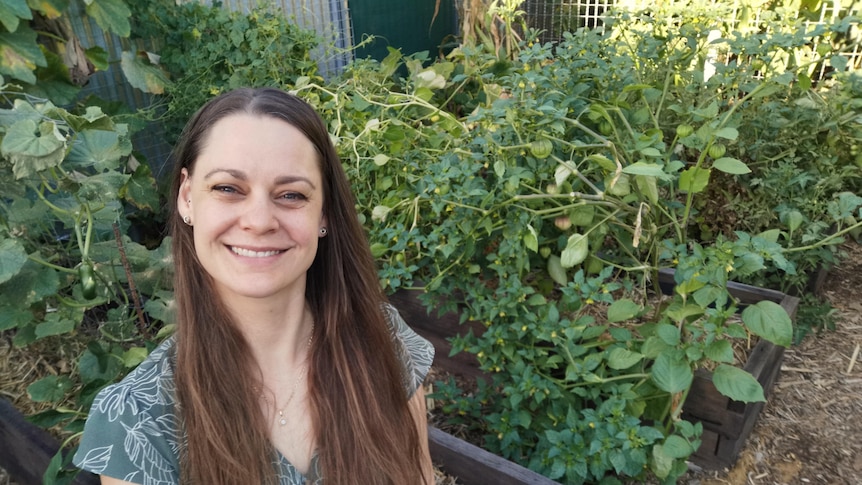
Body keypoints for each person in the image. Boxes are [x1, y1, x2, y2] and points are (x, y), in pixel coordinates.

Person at [72, 87, 435, 484]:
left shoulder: (381, 339)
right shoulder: (138, 420)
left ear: (324, 212)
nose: (259, 220)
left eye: (291, 194)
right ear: (188, 197)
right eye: (228, 189)